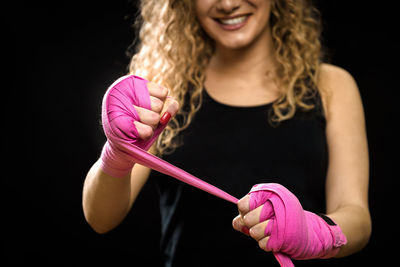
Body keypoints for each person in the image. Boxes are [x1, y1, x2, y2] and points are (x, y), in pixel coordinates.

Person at [82, 0, 371, 266]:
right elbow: (100, 219)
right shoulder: (162, 92)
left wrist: (315, 233)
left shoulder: (332, 86)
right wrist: (117, 153)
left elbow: (357, 218)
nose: (229, 3)